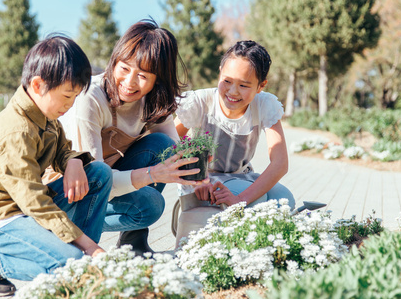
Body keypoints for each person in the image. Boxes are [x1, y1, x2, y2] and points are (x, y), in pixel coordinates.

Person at [0, 35, 113, 297]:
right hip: (0, 220)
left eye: (75, 96)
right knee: (71, 265)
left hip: (27, 211)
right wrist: (88, 245)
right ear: (37, 84)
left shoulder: (46, 114)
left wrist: (75, 162)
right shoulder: (14, 130)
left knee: (99, 173)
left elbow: (63, 150)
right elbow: (33, 201)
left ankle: (82, 261)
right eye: (67, 95)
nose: (70, 105)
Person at [59, 19, 207, 256]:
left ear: (158, 79)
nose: (129, 83)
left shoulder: (152, 101)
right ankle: (72, 237)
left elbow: (174, 152)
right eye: (125, 68)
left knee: (163, 146)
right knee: (149, 206)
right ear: (114, 61)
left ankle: (132, 243)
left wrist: (201, 180)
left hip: (110, 180)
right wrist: (152, 174)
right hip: (70, 192)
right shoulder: (90, 98)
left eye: (143, 75)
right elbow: (93, 180)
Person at [175, 40, 296, 209]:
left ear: (261, 86)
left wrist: (241, 198)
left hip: (241, 176)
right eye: (227, 81)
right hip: (203, 182)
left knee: (284, 199)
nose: (233, 91)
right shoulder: (201, 102)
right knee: (256, 201)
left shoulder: (263, 105)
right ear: (220, 73)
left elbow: (280, 164)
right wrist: (197, 180)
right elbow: (169, 142)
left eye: (244, 85)